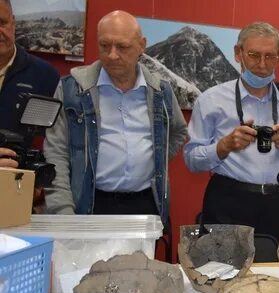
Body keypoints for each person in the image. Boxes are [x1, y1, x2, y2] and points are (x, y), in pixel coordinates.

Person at [43, 10, 188, 226]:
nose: (112, 55)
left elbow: (178, 131)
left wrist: (155, 158)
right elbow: (56, 153)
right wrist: (63, 213)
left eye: (122, 47)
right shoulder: (72, 90)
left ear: (141, 45)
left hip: (145, 205)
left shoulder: (160, 91)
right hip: (89, 205)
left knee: (140, 262)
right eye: (104, 46)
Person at [184, 21, 279, 240]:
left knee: (277, 272)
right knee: (224, 271)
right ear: (238, 53)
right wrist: (223, 146)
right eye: (254, 55)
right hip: (229, 203)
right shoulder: (210, 100)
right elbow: (191, 160)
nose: (262, 64)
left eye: (270, 56)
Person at [0, 0, 59, 168]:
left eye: (2, 22)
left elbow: (59, 143)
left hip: (19, 186)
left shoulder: (45, 76)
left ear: (13, 23)